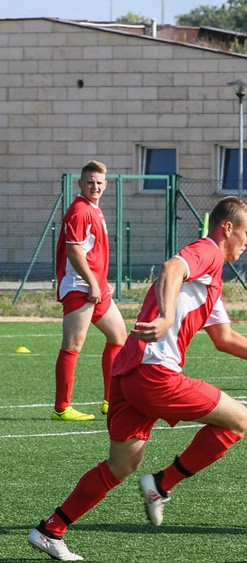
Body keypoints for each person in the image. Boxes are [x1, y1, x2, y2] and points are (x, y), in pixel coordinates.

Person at [28, 197, 247, 562]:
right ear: (226, 228)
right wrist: (167, 317)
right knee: (239, 420)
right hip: (156, 377)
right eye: (246, 233)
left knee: (120, 467)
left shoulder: (209, 281)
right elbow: (172, 267)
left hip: (129, 374)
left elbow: (225, 339)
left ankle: (50, 530)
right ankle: (162, 485)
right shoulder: (208, 252)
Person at [53, 160, 128, 421]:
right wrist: (93, 282)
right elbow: (74, 251)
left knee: (118, 336)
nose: (95, 186)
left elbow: (90, 251)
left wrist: (101, 281)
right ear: (80, 183)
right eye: (90, 182)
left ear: (106, 185)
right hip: (80, 287)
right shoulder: (79, 210)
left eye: (99, 183)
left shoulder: (94, 209)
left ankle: (111, 400)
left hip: (96, 287)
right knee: (73, 345)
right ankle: (62, 408)